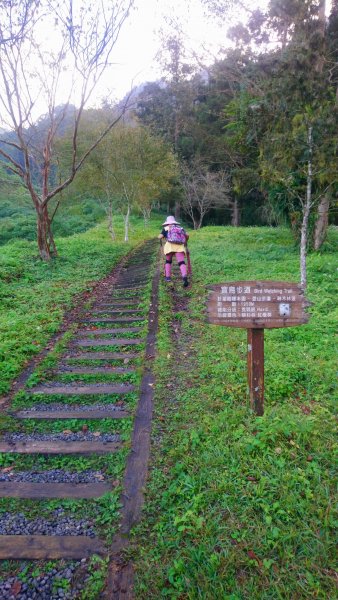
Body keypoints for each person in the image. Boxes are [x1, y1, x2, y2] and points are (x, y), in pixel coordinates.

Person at [158, 216, 189, 287]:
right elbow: (187, 235)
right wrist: (185, 241)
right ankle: (184, 277)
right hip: (179, 247)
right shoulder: (180, 228)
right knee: (181, 262)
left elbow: (159, 237)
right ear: (174, 222)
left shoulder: (166, 228)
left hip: (169, 247)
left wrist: (162, 236)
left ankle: (168, 277)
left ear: (167, 222)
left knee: (168, 261)